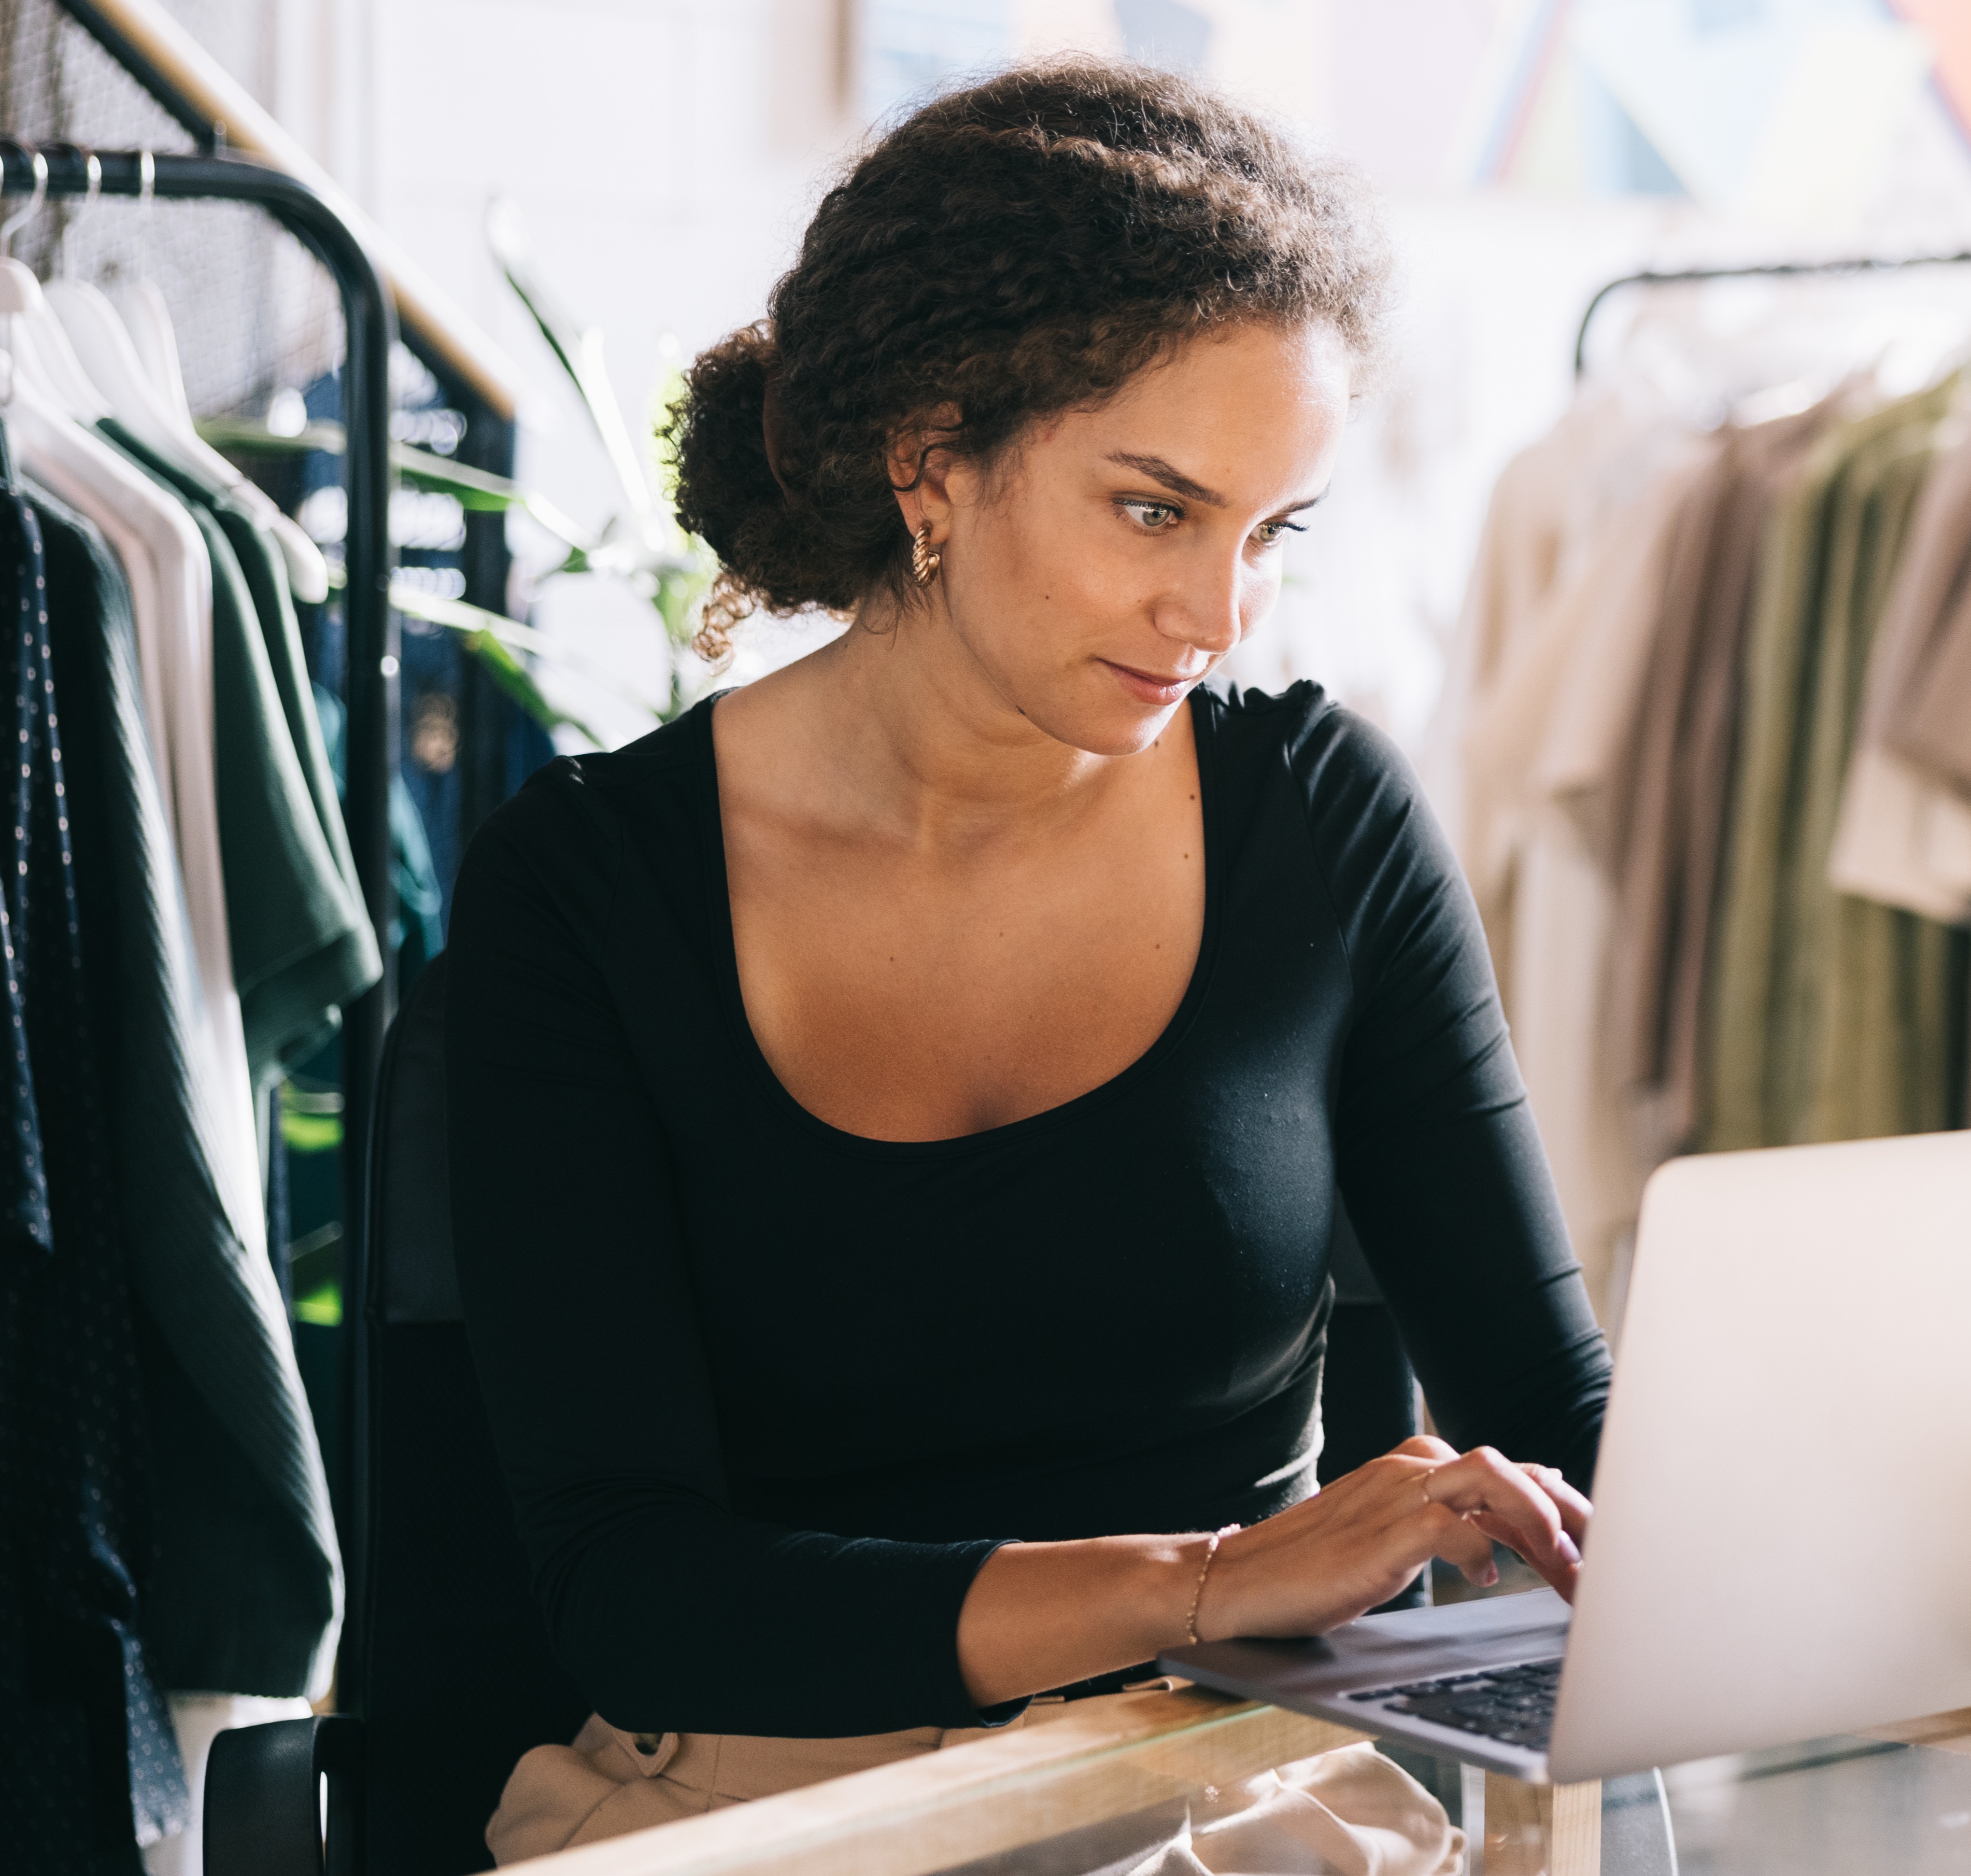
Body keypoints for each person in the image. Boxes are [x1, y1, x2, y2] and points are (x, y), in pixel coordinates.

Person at [450, 59, 1605, 1864]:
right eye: (1155, 511)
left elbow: (1557, 1416)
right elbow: (632, 1582)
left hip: (1228, 1787)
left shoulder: (1317, 817)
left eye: (1269, 533)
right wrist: (1208, 1579)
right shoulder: (588, 891)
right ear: (932, 454)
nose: (1216, 616)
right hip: (765, 1798)